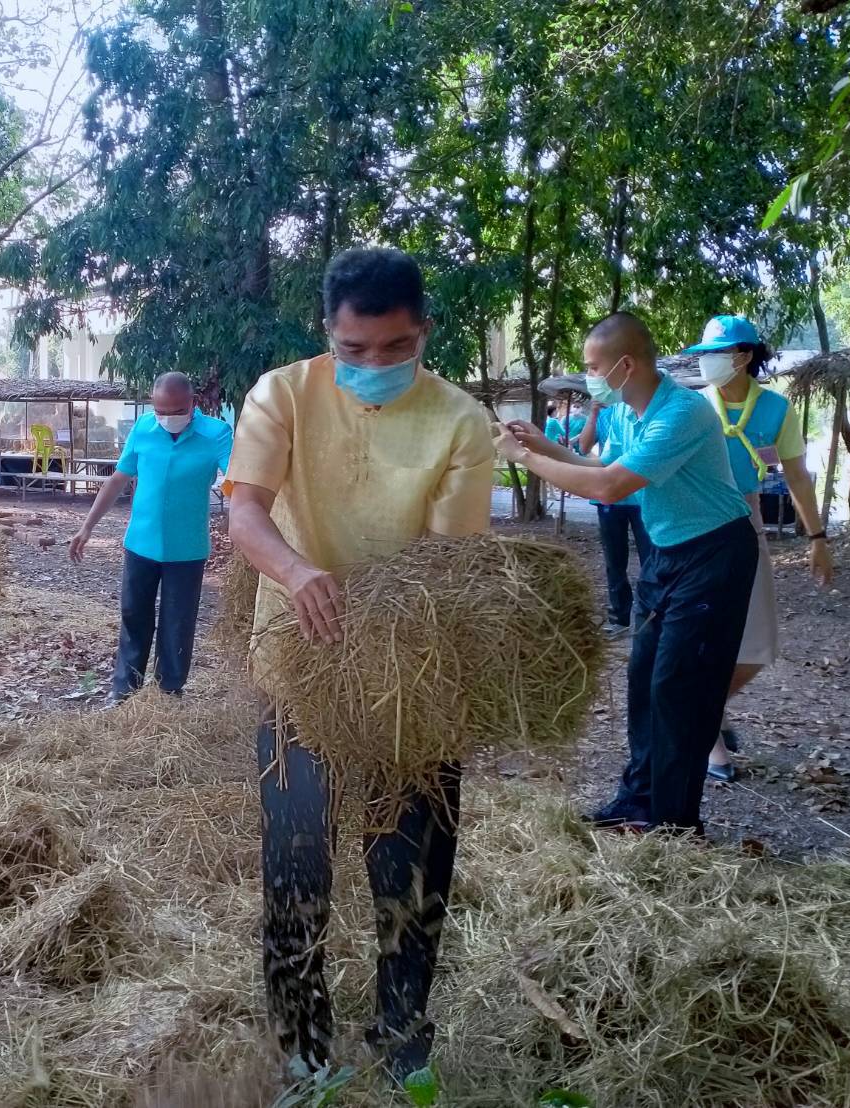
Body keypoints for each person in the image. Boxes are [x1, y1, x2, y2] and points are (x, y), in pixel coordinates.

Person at [226, 247, 495, 1085]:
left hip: (412, 675)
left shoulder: (460, 422)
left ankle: (401, 1038)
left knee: (409, 868)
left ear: (423, 331)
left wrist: (388, 634)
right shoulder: (282, 393)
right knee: (296, 861)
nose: (373, 365)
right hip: (298, 671)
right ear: (327, 335)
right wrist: (299, 570)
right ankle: (301, 1049)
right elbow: (245, 512)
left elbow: (449, 565)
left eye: (393, 348)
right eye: (353, 351)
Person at [496, 311, 756, 835]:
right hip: (667, 553)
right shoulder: (626, 414)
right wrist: (538, 445)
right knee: (644, 682)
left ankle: (675, 824)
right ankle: (638, 801)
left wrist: (521, 460)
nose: (589, 376)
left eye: (593, 366)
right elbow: (601, 466)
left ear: (626, 364)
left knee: (679, 688)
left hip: (714, 555)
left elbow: (610, 488)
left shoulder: (681, 414)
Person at [682, 315, 834, 782]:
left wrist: (817, 537)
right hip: (694, 520)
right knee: (701, 632)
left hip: (746, 520)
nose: (707, 363)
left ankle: (707, 706)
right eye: (704, 354)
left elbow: (797, 477)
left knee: (757, 643)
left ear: (744, 356)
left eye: (717, 353)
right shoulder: (691, 407)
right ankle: (704, 733)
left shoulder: (775, 409)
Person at [68, 372, 232, 703]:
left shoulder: (217, 433)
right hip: (141, 544)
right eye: (160, 410)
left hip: (186, 550)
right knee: (134, 617)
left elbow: (239, 484)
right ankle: (123, 691)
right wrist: (87, 527)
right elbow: (118, 479)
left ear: (192, 404)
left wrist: (244, 524)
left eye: (175, 410)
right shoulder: (143, 428)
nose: (168, 418)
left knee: (178, 624)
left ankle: (168, 694)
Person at [578, 399, 654, 635]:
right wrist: (593, 414)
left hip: (642, 497)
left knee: (650, 560)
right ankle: (619, 618)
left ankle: (649, 618)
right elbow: (583, 447)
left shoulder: (645, 407)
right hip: (610, 498)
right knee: (614, 561)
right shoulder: (605, 411)